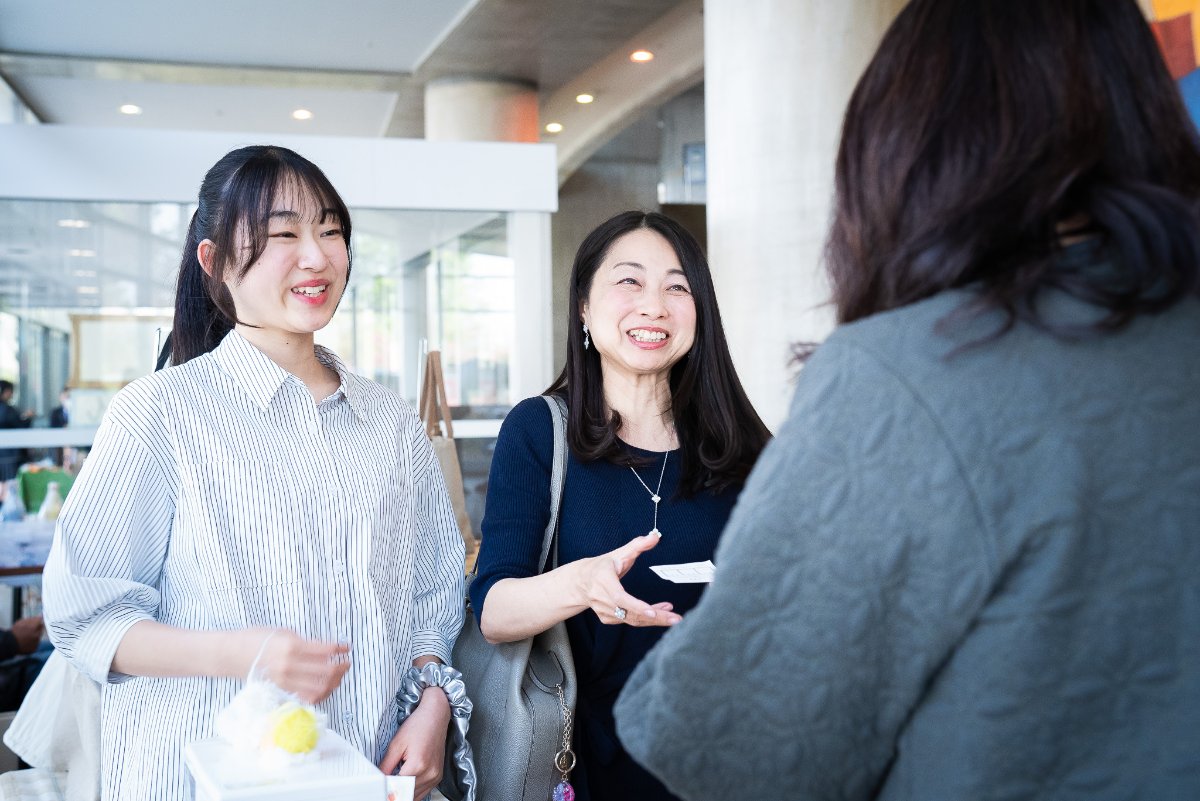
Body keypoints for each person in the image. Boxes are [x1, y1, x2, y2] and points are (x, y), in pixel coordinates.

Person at [614, 2, 1200, 799]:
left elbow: (726, 743)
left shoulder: (911, 374)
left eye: (677, 286)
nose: (653, 307)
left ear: (905, 143)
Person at [43, 145, 466, 800]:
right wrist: (243, 653)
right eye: (282, 235)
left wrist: (433, 704)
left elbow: (431, 595)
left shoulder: (390, 421)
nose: (316, 256)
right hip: (204, 777)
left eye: (331, 230)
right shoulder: (160, 413)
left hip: (366, 772)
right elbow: (85, 615)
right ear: (214, 262)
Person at [472, 210, 770, 801]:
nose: (654, 306)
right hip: (586, 762)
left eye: (677, 287)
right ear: (584, 307)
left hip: (728, 760)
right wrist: (581, 584)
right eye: (629, 281)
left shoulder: (744, 448)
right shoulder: (539, 431)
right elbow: (494, 610)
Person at [0, 379, 32, 481]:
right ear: (6, 391)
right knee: (12, 482)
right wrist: (28, 418)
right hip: (12, 455)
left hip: (3, 454)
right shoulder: (8, 409)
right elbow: (20, 425)